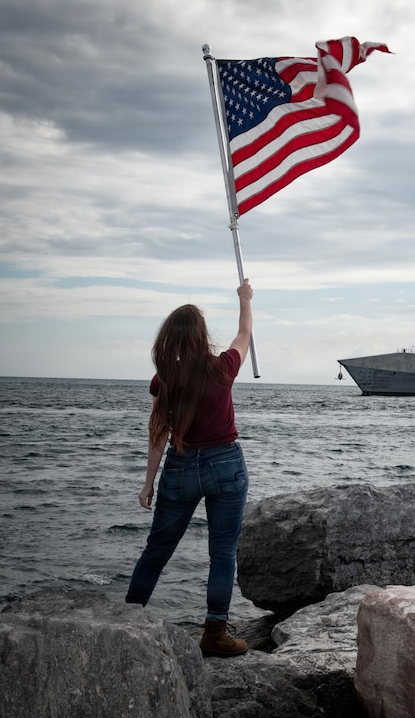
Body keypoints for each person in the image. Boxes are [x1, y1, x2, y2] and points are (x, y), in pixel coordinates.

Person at [126, 280, 254, 658]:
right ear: (201, 337)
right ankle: (214, 632)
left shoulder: (164, 380)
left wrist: (148, 483)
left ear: (169, 338)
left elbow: (158, 434)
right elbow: (244, 332)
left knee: (156, 551)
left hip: (180, 469)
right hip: (226, 465)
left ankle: (127, 620)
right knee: (222, 553)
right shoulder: (223, 368)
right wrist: (245, 300)